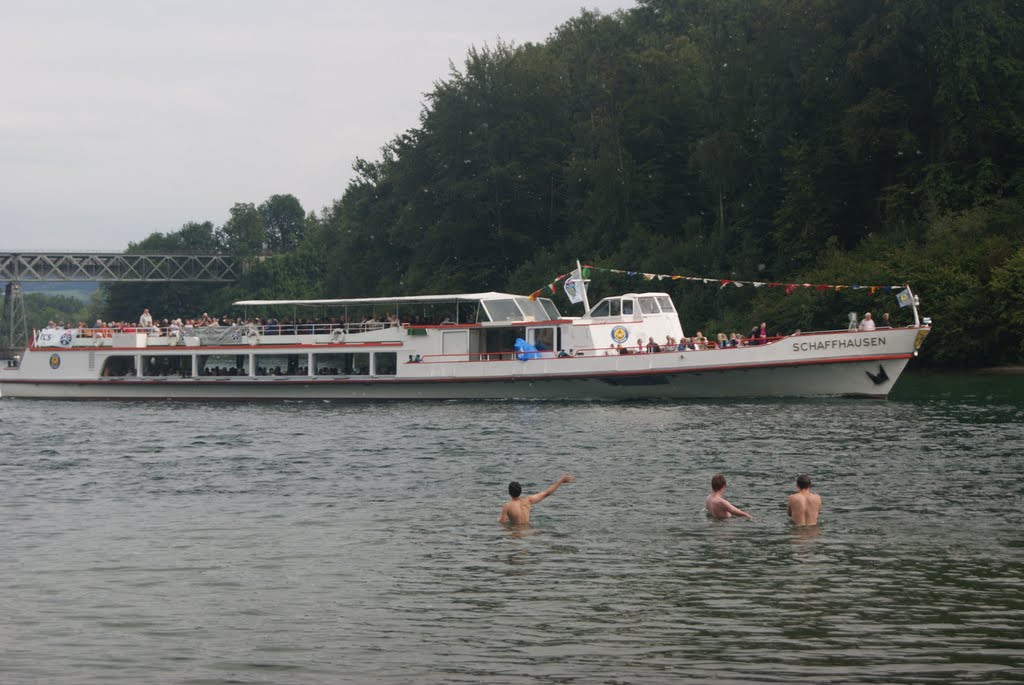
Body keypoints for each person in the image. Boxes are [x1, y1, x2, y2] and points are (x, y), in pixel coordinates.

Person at [498, 473, 575, 526]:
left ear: (509, 492)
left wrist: (499, 519)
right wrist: (561, 480)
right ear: (521, 491)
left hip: (517, 534)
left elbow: (503, 523)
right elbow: (547, 493)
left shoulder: (507, 506)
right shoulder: (528, 500)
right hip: (529, 531)